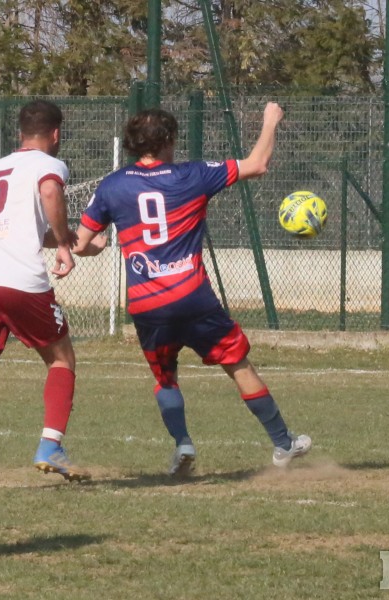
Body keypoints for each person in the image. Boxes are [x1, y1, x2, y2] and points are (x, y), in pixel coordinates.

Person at [73, 103, 311, 476]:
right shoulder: (194, 175)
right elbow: (257, 164)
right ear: (169, 140)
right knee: (237, 365)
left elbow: (82, 242)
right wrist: (269, 122)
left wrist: (93, 246)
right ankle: (283, 444)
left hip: (147, 304)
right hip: (193, 297)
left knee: (165, 377)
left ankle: (183, 443)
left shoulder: (113, 185)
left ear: (134, 143)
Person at [0, 100, 93, 489]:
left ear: (19, 133)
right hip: (18, 281)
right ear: (56, 133)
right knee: (62, 359)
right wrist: (64, 244)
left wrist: (70, 240)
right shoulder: (50, 165)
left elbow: (20, 226)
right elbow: (49, 194)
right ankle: (50, 446)